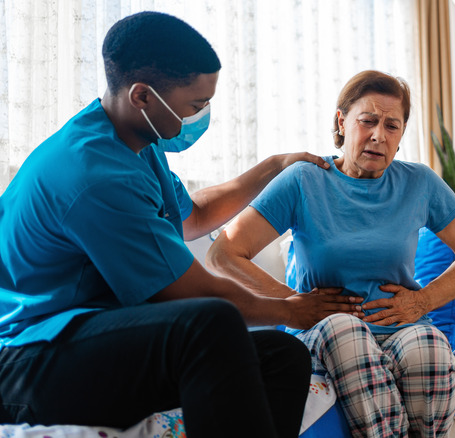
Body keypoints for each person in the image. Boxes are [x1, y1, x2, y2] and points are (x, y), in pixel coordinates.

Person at [0, 11, 362, 438]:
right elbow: (195, 293)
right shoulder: (92, 173)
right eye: (196, 105)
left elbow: (192, 216)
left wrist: (274, 167)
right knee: (209, 323)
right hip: (28, 360)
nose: (202, 114)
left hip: (85, 340)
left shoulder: (136, 144)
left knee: (283, 356)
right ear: (142, 96)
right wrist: (288, 309)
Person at [206, 70, 455, 438]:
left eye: (392, 126)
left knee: (432, 348)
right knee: (346, 330)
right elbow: (224, 252)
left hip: (399, 327)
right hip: (326, 331)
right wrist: (293, 303)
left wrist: (422, 302)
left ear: (402, 135)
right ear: (342, 122)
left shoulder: (419, 182)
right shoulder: (305, 180)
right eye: (368, 121)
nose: (379, 135)